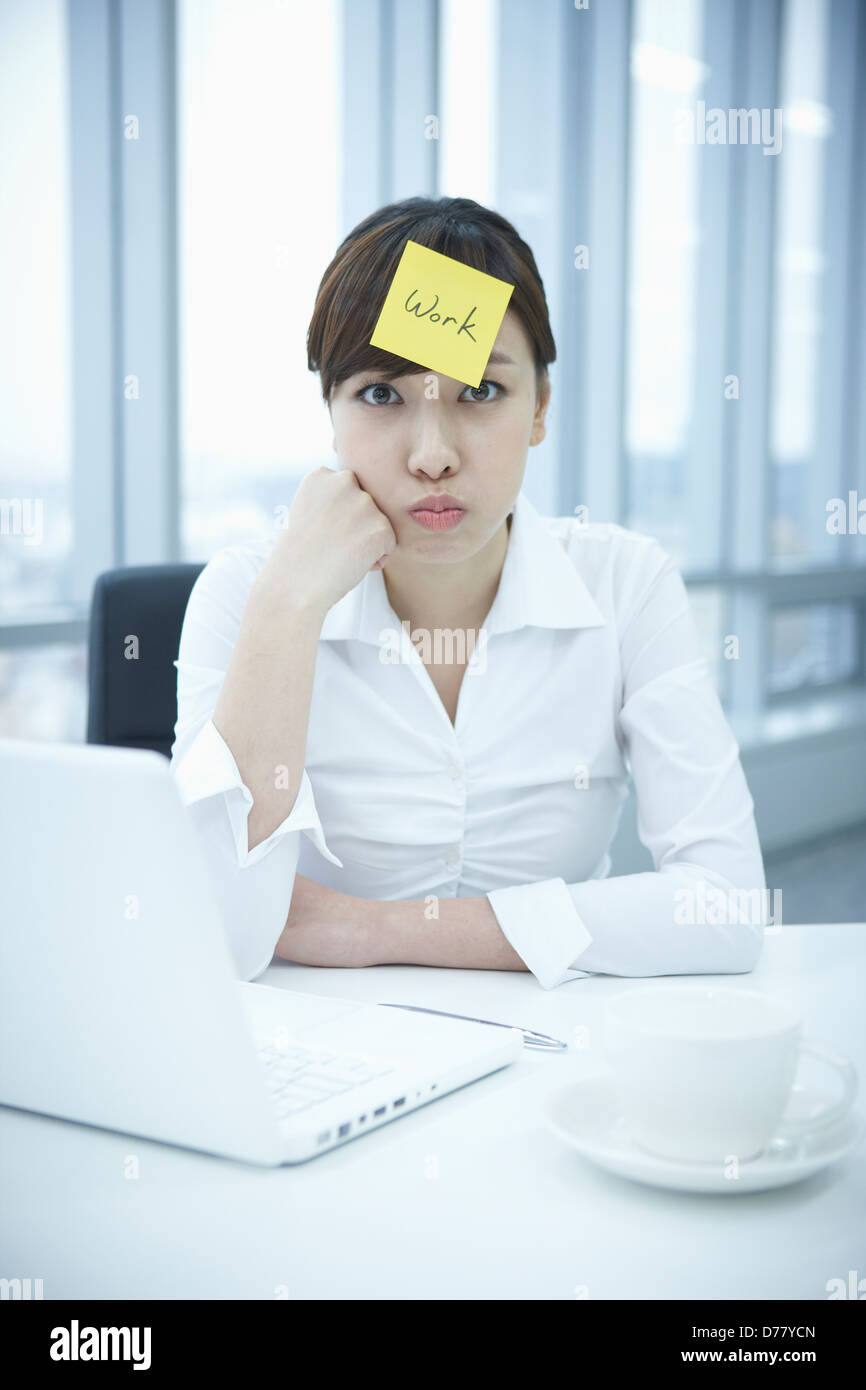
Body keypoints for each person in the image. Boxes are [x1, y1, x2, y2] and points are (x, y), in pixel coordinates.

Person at [170, 195, 768, 990]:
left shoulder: (625, 584)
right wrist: (285, 608)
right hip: (316, 1059)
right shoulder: (247, 591)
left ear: (539, 410)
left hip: (559, 1050)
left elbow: (724, 910)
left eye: (480, 393)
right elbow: (221, 935)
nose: (432, 455)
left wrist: (366, 928)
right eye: (382, 394)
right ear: (332, 416)